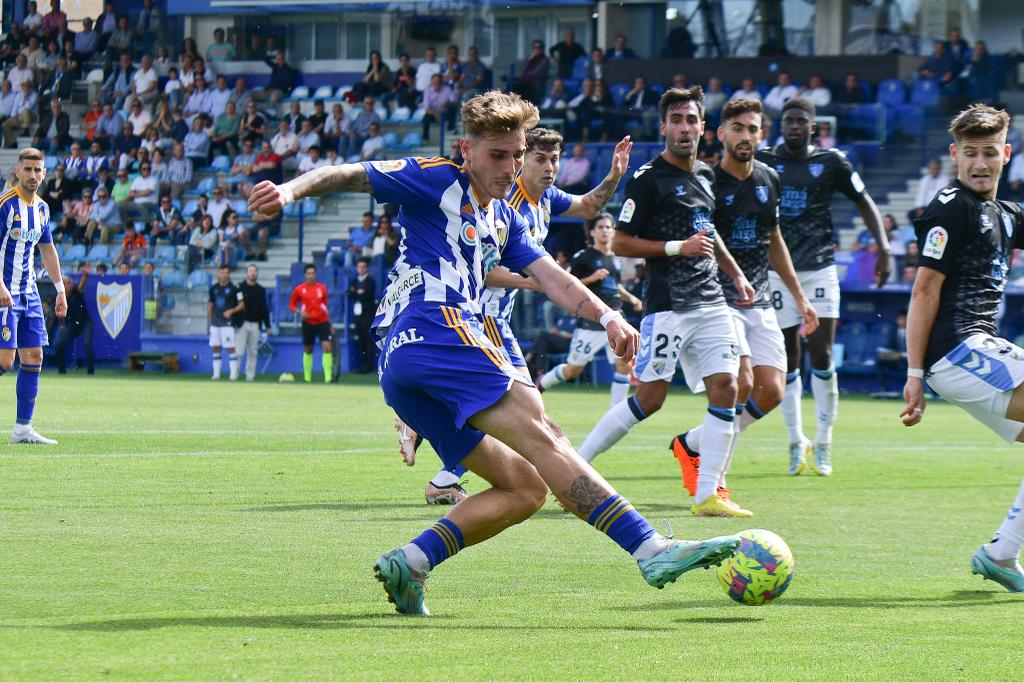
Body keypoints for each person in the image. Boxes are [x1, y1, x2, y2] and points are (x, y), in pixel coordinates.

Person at [247, 90, 741, 615]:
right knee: (547, 435)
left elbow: (554, 278)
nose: (508, 168)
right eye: (497, 155)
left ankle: (411, 560)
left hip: (406, 364)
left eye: (516, 154)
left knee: (524, 487)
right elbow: (348, 172)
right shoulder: (435, 176)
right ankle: (651, 550)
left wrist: (609, 315)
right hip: (436, 325)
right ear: (467, 148)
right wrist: (290, 190)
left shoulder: (506, 218)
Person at [412, 127, 632, 502]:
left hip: (497, 318)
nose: (549, 168)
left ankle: (443, 465)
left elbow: (589, 206)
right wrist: (539, 281)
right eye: (539, 159)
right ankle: (573, 490)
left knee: (519, 413)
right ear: (521, 159)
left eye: (554, 160)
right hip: (480, 316)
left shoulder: (546, 199)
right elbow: (484, 270)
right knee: (525, 415)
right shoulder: (505, 206)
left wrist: (613, 176)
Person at [576, 86, 757, 520]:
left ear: (702, 128)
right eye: (676, 120)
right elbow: (619, 243)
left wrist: (736, 275)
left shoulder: (708, 177)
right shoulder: (648, 178)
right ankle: (576, 468)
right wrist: (678, 247)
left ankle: (707, 495)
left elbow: (708, 236)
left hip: (711, 299)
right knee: (650, 399)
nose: (684, 128)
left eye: (691, 120)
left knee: (729, 387)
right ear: (663, 127)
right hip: (668, 305)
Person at [669, 98, 818, 507]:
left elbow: (774, 240)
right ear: (721, 134)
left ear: (761, 134)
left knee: (771, 391)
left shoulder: (769, 178)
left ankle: (693, 443)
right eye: (737, 128)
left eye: (753, 129)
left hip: (761, 298)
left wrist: (800, 297)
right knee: (744, 382)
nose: (746, 136)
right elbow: (703, 238)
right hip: (718, 298)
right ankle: (712, 483)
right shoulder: (707, 181)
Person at [900, 103, 1024, 593]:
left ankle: (1001, 554)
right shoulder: (951, 208)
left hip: (977, 350)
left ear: (1006, 154)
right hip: (958, 350)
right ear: (954, 155)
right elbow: (924, 290)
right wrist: (913, 373)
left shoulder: (1005, 214)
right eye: (970, 153)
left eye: (989, 153)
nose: (979, 163)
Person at [755, 97, 890, 476]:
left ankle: (825, 440)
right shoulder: (765, 161)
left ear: (815, 127)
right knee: (788, 358)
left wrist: (883, 247)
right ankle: (797, 441)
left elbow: (864, 201)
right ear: (781, 126)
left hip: (819, 269)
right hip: (778, 272)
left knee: (823, 354)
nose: (794, 126)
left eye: (801, 120)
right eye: (789, 120)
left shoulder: (833, 162)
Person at [537, 213, 642, 403]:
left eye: (609, 227)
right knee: (573, 369)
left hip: (616, 318)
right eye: (600, 227)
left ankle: (614, 415)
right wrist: (592, 278)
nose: (605, 231)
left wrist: (631, 298)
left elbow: (614, 285)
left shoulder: (615, 259)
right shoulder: (583, 257)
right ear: (592, 232)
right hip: (591, 322)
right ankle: (542, 383)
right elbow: (568, 284)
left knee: (624, 366)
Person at [0, 148, 67, 444]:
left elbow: (47, 250)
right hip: (4, 292)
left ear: (44, 173)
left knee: (34, 356)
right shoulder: (5, 205)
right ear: (17, 171)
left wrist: (60, 288)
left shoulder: (41, 209)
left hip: (28, 293)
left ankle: (23, 429)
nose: (32, 175)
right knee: (4, 361)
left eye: (37, 170)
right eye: (27, 169)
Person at [289, 263, 333, 384]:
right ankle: (307, 378)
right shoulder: (299, 289)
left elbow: (325, 306)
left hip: (322, 321)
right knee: (308, 348)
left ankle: (328, 378)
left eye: (313, 273)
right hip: (308, 322)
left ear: (316, 274)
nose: (311, 276)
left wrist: (330, 323)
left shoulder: (322, 288)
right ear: (305, 275)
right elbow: (292, 305)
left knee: (327, 347)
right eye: (309, 273)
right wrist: (300, 313)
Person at [208, 264, 243, 381]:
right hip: (215, 323)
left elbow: (242, 304)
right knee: (216, 347)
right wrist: (210, 321)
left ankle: (233, 375)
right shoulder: (213, 288)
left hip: (228, 323)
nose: (224, 275)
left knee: (230, 348)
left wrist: (231, 311)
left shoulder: (235, 288)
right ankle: (216, 374)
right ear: (218, 274)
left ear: (229, 274)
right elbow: (211, 305)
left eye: (226, 273)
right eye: (222, 272)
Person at [236, 263, 271, 382]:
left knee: (253, 352)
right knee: (239, 352)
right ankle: (234, 375)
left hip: (255, 324)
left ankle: (250, 376)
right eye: (251, 271)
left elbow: (264, 309)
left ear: (257, 273)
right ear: (246, 273)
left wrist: (267, 326)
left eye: (255, 271)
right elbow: (236, 306)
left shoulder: (260, 290)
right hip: (242, 324)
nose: (253, 273)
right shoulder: (239, 287)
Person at [348, 257, 376, 373]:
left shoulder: (370, 281)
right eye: (359, 267)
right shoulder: (354, 281)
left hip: (367, 314)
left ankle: (368, 366)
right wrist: (357, 292)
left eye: (363, 267)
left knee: (367, 340)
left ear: (367, 268)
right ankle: (362, 365)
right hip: (358, 315)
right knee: (360, 340)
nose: (361, 269)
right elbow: (349, 293)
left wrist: (356, 292)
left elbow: (368, 294)